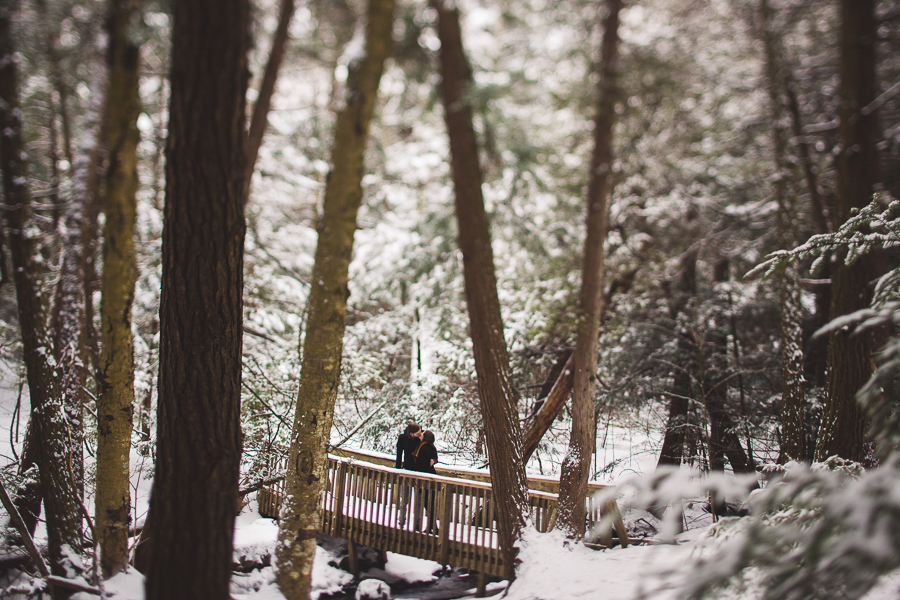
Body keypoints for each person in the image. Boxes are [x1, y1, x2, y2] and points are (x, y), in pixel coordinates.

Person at [395, 422, 422, 526]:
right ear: (411, 433)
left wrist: (421, 441)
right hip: (406, 470)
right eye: (418, 433)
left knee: (419, 500)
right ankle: (401, 519)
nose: (420, 433)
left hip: (419, 471)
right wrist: (398, 470)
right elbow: (399, 454)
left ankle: (417, 523)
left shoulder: (421, 438)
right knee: (404, 498)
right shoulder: (403, 438)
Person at [412, 430, 439, 533]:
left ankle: (432, 527)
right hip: (431, 477)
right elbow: (435, 459)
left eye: (423, 434)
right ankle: (433, 526)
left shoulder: (423, 447)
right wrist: (433, 461)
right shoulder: (432, 447)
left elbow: (420, 463)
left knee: (427, 503)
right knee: (430, 504)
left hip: (424, 478)